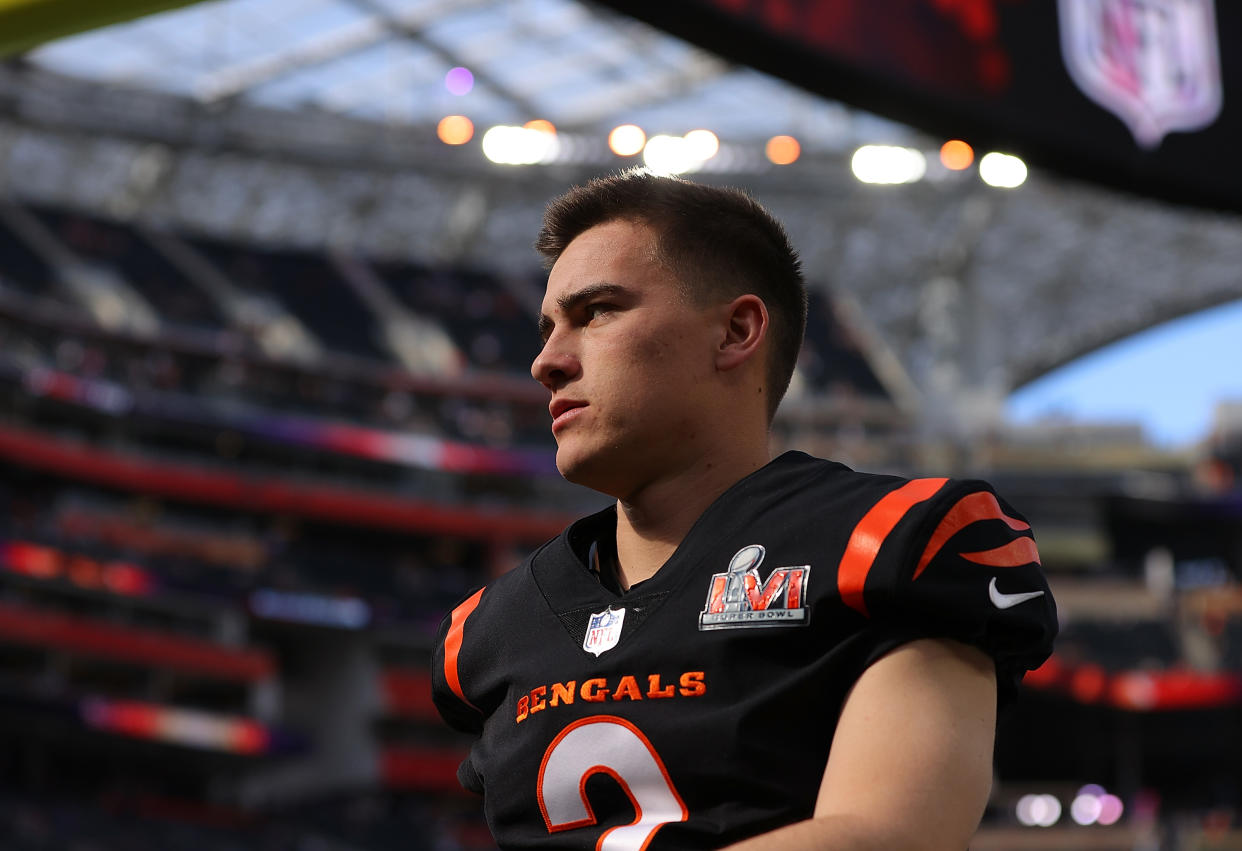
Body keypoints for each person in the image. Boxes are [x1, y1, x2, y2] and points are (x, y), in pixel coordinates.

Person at [433, 170, 1057, 850]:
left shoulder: (889, 543)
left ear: (735, 331)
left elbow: (887, 836)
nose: (546, 361)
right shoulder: (491, 629)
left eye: (598, 311)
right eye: (549, 326)